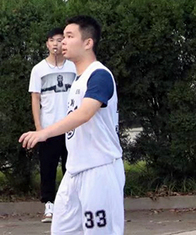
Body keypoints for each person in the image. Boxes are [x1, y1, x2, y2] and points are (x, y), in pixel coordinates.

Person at [20, 16, 124, 235]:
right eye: (62, 37)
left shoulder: (99, 75)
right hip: (74, 172)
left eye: (69, 36)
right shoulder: (78, 80)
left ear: (88, 43)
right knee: (61, 230)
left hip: (99, 169)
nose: (63, 42)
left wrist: (44, 133)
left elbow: (85, 113)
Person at [28, 27, 76, 222]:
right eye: (52, 40)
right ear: (47, 44)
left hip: (71, 127)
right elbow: (35, 98)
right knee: (47, 168)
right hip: (48, 128)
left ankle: (70, 205)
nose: (56, 44)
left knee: (71, 167)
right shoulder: (38, 69)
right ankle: (49, 205)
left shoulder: (73, 67)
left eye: (59, 40)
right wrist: (38, 127)